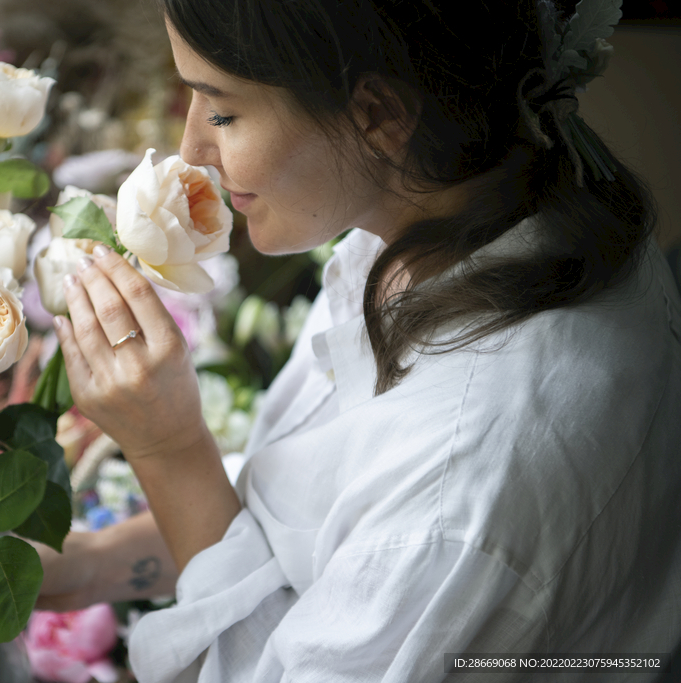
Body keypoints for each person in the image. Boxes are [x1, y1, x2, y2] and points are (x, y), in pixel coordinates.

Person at [34, 0, 681, 680]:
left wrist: (167, 449)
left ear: (378, 114)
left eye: (221, 110)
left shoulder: (467, 471)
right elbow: (320, 521)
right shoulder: (452, 216)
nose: (191, 148)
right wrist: (99, 560)